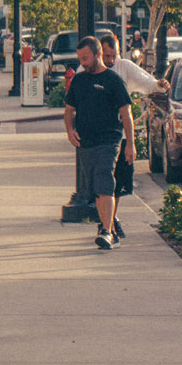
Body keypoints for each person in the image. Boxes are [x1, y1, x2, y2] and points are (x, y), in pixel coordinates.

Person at [63, 36, 135, 251]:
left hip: (109, 141)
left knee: (105, 182)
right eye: (80, 59)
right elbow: (68, 111)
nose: (83, 63)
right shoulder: (79, 80)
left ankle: (105, 231)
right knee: (96, 189)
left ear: (97, 54)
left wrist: (130, 144)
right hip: (85, 143)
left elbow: (126, 113)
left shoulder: (113, 81)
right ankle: (111, 230)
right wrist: (69, 130)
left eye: (86, 58)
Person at [98, 33, 167, 243]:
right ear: (99, 53)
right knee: (103, 182)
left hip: (120, 132)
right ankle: (106, 224)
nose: (110, 61)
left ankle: (108, 222)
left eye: (114, 55)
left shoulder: (124, 67)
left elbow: (146, 82)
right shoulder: (90, 70)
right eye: (106, 56)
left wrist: (159, 84)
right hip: (98, 134)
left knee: (117, 181)